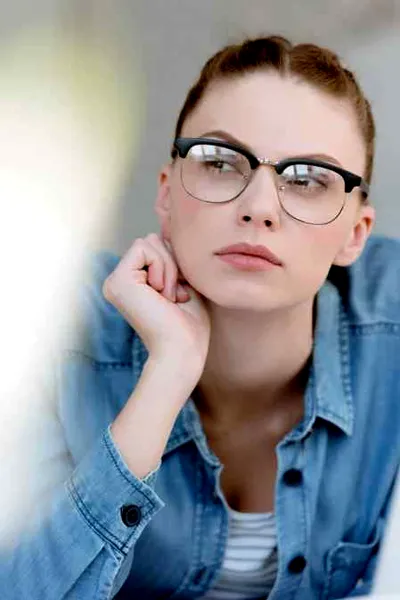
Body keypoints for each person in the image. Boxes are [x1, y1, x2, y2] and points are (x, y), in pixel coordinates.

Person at [1, 34, 399, 600]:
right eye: (220, 163)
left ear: (355, 234)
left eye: (308, 179)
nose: (258, 208)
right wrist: (166, 375)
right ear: (167, 195)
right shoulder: (50, 325)